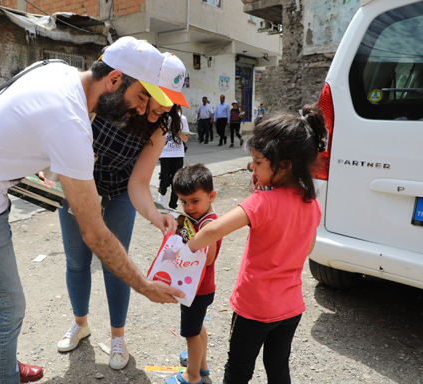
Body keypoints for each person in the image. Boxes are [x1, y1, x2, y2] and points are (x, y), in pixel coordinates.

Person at [0, 36, 184, 384]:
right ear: (113, 80)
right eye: (141, 97)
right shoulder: (72, 124)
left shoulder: (61, 73)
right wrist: (145, 287)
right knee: (8, 307)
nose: (141, 110)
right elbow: (94, 232)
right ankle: (1, 375)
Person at [57, 52, 188, 371]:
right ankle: (80, 324)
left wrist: (156, 215)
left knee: (118, 262)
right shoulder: (106, 100)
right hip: (76, 186)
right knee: (77, 262)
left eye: (172, 100)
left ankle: (118, 337)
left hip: (118, 192)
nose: (164, 107)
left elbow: (139, 183)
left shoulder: (158, 128)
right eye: (160, 97)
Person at [184, 105, 327, 384]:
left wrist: (186, 246)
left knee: (238, 370)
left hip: (254, 308)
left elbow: (212, 230)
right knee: (277, 368)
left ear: (284, 165)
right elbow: (307, 249)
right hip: (290, 308)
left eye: (258, 162)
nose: (252, 167)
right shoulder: (312, 204)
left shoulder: (261, 202)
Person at [165, 163, 221, 384]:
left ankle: (193, 375)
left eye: (195, 201)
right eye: (184, 202)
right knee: (197, 327)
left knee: (190, 333)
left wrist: (189, 238)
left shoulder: (210, 225)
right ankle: (201, 364)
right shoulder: (200, 219)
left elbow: (208, 258)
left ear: (212, 196)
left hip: (196, 290)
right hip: (198, 288)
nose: (188, 207)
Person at [158, 105, 190, 210]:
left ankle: (172, 206)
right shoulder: (163, 118)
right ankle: (162, 193)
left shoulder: (182, 119)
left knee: (176, 182)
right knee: (165, 180)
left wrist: (179, 132)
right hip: (165, 154)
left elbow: (186, 140)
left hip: (178, 155)